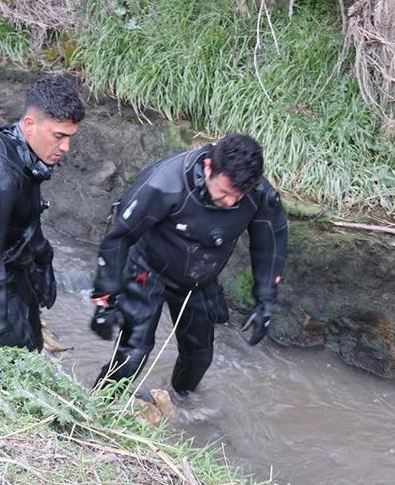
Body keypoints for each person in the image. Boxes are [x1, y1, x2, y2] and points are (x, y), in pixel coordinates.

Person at [89, 134, 287, 395]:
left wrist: (265, 301)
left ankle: (179, 409)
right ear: (208, 167)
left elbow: (269, 244)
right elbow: (119, 238)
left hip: (200, 280)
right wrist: (104, 299)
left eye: (238, 195)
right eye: (225, 192)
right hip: (148, 271)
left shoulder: (259, 195)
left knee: (199, 357)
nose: (231, 202)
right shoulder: (166, 183)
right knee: (134, 355)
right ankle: (96, 408)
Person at [0, 75, 84, 351]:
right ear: (29, 125)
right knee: (14, 355)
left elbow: (26, 217)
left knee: (34, 344)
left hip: (17, 265)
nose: (65, 148)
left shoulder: (24, 152)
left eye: (70, 137)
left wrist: (42, 259)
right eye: (59, 136)